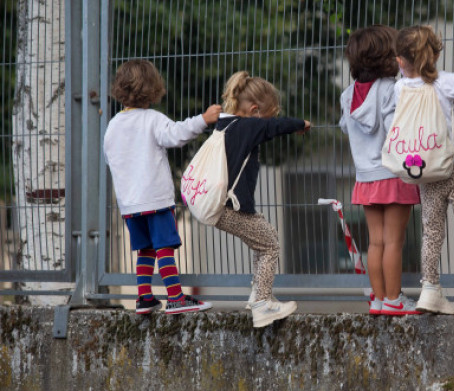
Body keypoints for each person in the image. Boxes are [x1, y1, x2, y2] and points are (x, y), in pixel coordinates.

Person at [103, 59, 219, 314]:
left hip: (129, 204)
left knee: (144, 248)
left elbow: (110, 158)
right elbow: (176, 135)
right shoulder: (153, 120)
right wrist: (204, 119)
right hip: (155, 198)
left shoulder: (112, 126)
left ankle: (144, 297)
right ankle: (176, 297)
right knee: (164, 246)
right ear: (152, 88)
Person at [394, 25, 454, 315]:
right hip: (452, 163)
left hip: (422, 169)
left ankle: (430, 288)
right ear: (434, 55)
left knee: (431, 230)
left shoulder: (400, 87)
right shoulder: (443, 81)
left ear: (400, 61)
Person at [214, 71, 310, 328]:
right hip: (231, 206)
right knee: (269, 245)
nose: (270, 121)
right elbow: (272, 127)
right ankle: (262, 304)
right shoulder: (247, 125)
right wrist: (300, 123)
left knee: (264, 239)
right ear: (255, 110)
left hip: (223, 205)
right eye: (269, 115)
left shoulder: (225, 125)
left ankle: (258, 294)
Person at [340, 25, 422, 316]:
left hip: (365, 178)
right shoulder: (391, 90)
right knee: (394, 242)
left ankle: (378, 299)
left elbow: (347, 127)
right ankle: (394, 299)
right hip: (394, 175)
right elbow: (394, 132)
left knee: (375, 242)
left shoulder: (347, 96)